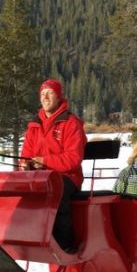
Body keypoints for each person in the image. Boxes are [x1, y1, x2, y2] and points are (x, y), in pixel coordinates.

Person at [20, 79, 87, 252]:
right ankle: (22, 236)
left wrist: (44, 161)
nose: (45, 97)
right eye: (42, 94)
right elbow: (26, 154)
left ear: (59, 97)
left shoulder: (71, 123)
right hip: (38, 177)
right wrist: (25, 165)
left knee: (55, 189)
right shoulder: (34, 125)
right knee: (17, 189)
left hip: (67, 177)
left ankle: (64, 244)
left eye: (50, 93)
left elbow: (73, 158)